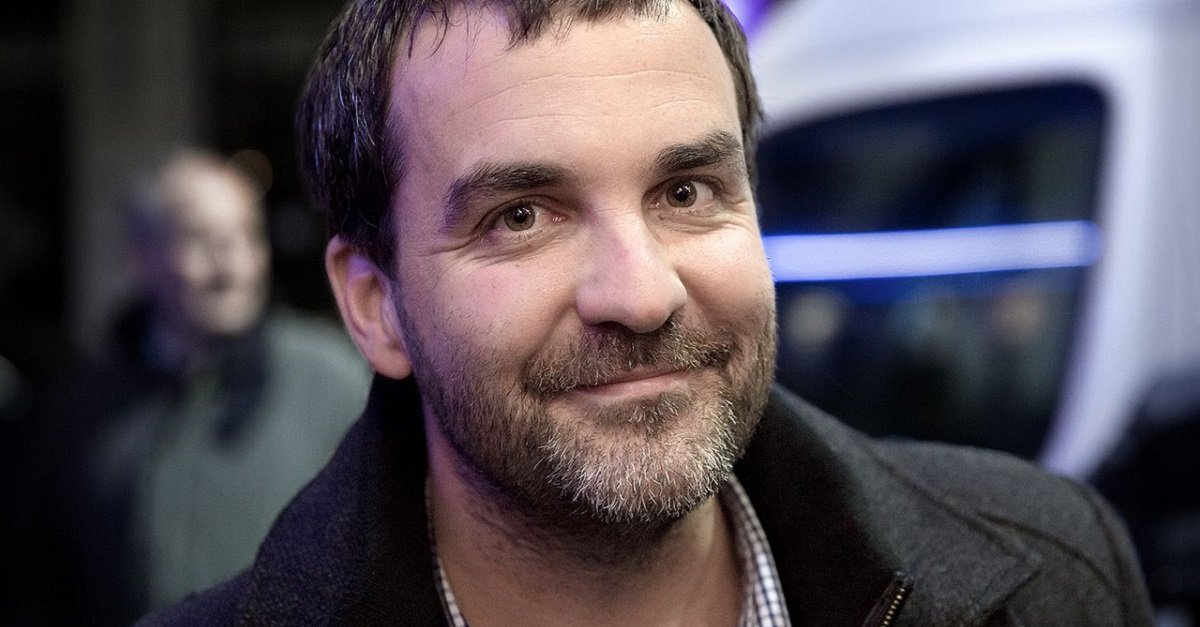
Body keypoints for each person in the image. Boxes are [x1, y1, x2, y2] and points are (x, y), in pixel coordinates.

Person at [144, 1, 1153, 625]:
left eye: (687, 192)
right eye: (521, 216)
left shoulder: (1056, 576)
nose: (640, 293)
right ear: (376, 307)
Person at [11, 149, 370, 626]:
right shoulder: (75, 412)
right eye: (201, 238)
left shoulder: (333, 381)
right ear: (140, 257)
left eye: (246, 235)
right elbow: (35, 584)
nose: (231, 264)